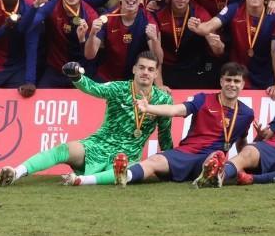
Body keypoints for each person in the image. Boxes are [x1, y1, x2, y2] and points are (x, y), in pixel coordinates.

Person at [0, 53, 172, 186]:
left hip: (126, 154)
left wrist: (170, 162)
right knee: (64, 149)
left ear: (156, 73)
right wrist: (77, 77)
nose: (145, 72)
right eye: (141, 68)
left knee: (126, 170)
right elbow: (93, 88)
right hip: (98, 145)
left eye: (150, 69)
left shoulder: (164, 100)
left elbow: (165, 134)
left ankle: (82, 180)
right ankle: (16, 172)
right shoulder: (118, 88)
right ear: (134, 69)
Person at [81, 62, 259, 187]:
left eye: (236, 81)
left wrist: (258, 144)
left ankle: (210, 177)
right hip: (186, 153)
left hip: (209, 158)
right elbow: (175, 110)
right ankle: (123, 176)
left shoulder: (246, 114)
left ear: (243, 84)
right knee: (154, 160)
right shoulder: (203, 99)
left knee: (217, 157)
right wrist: (148, 107)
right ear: (221, 82)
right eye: (228, 80)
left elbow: (241, 142)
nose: (231, 85)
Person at [195, 0, 275, 97]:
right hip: (237, 76)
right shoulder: (234, 9)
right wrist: (197, 26)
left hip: (264, 76)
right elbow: (209, 26)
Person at [28, 0, 101, 88]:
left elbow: (90, 55)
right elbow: (30, 24)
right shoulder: (52, 7)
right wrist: (36, 4)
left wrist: (87, 37)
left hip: (81, 71)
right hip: (55, 70)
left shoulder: (91, 15)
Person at [85, 0, 163, 82]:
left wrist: (155, 40)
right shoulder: (106, 18)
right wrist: (92, 34)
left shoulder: (148, 20)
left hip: (136, 80)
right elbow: (89, 55)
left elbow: (159, 60)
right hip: (107, 79)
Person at [152, 0, 222, 88]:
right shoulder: (158, 13)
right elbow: (155, 55)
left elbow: (218, 52)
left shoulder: (200, 13)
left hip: (194, 69)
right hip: (166, 68)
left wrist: (217, 45)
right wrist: (159, 86)